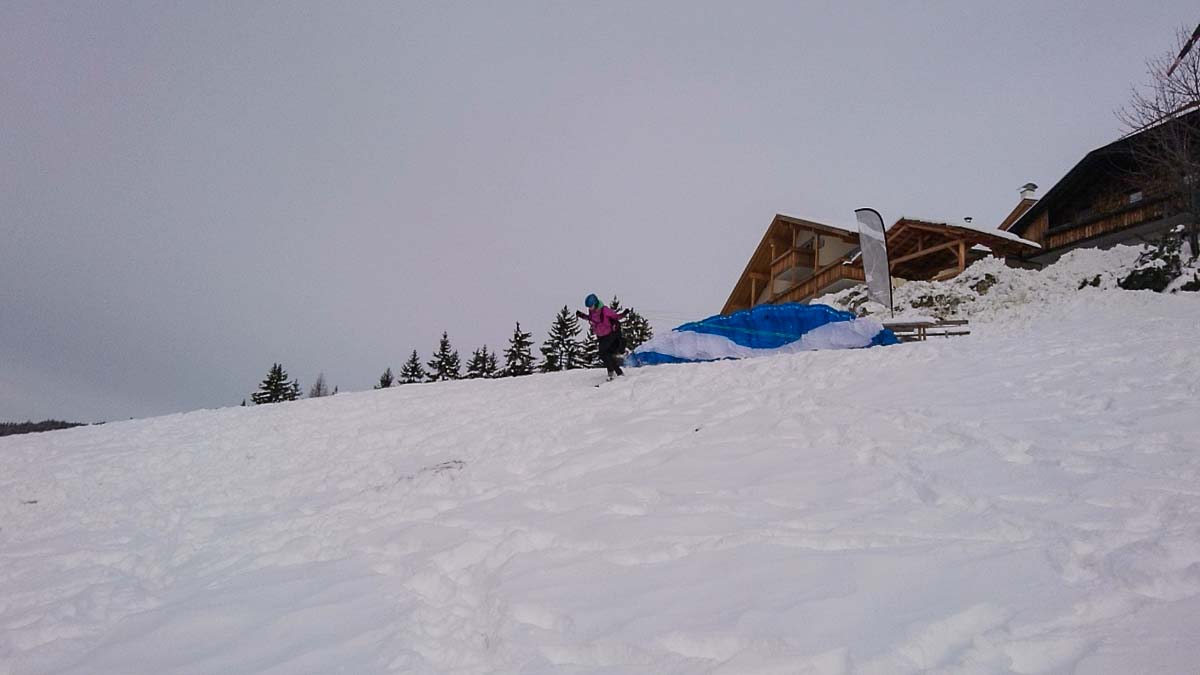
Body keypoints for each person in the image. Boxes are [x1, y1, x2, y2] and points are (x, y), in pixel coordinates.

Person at [577, 293, 628, 380]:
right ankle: (617, 372)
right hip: (600, 336)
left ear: (596, 303)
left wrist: (624, 313)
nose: (590, 308)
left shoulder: (605, 310)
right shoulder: (592, 311)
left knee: (603, 353)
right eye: (588, 307)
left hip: (609, 335)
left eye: (591, 306)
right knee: (607, 354)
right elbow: (591, 318)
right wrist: (582, 315)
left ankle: (612, 371)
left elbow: (616, 317)